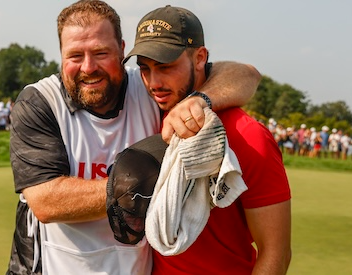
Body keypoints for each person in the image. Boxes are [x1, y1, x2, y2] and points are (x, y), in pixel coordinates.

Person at [6, 1, 260, 274]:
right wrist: (138, 184)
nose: (88, 67)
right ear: (60, 56)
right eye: (75, 56)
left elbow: (246, 74)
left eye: (101, 52)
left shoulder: (151, 87)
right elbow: (45, 202)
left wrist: (198, 100)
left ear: (122, 51)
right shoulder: (40, 101)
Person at [122, 5, 291, 274]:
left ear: (200, 58)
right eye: (145, 68)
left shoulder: (250, 136)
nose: (154, 82)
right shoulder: (149, 110)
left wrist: (201, 101)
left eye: (165, 67)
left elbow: (276, 254)